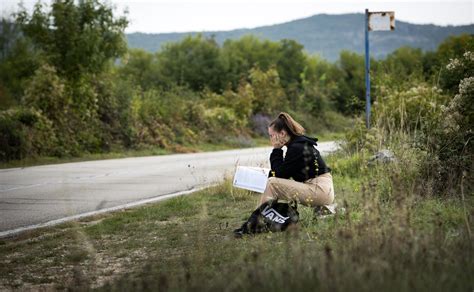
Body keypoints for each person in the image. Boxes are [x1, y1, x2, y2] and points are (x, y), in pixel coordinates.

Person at [259, 112, 335, 209]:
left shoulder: (297, 147)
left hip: (320, 190)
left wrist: (277, 149)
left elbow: (279, 175)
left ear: (282, 133)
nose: (271, 139)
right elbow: (282, 172)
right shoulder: (297, 144)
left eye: (271, 135)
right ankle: (267, 216)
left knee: (272, 183)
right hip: (321, 189)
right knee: (272, 181)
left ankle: (259, 219)